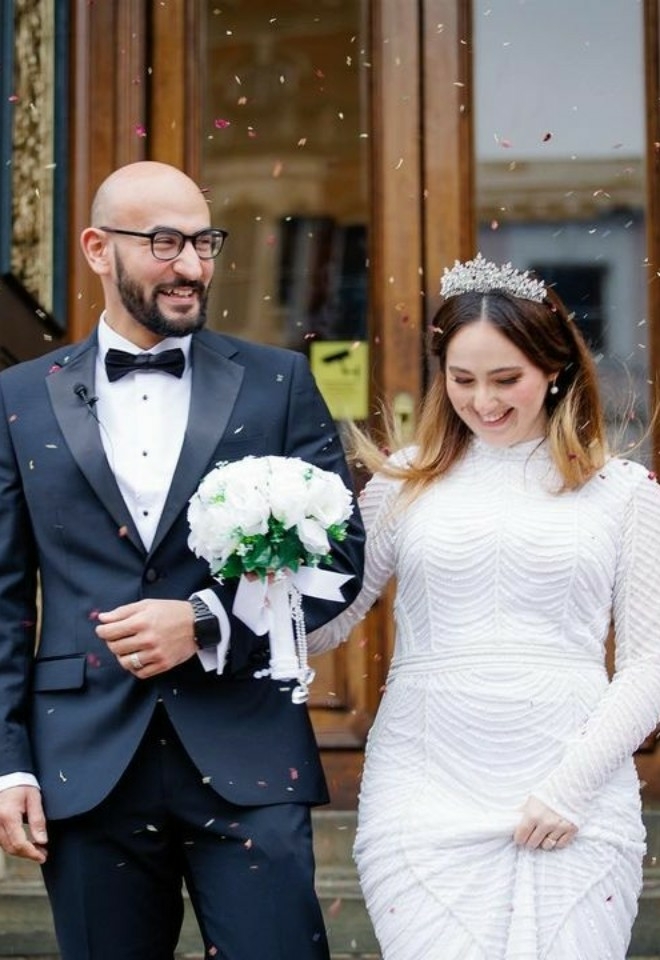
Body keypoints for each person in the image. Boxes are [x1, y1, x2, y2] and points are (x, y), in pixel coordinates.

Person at [0, 160, 364, 960]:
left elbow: (342, 559)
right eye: (166, 243)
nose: (193, 266)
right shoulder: (19, 398)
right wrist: (8, 766)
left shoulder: (279, 383)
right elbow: (1, 601)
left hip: (248, 752)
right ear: (98, 249)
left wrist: (205, 620)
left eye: (205, 242)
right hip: (85, 763)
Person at [308, 254, 660, 960]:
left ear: (554, 368)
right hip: (423, 790)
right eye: (462, 380)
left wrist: (569, 788)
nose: (484, 401)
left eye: (507, 380)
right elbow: (333, 623)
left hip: (573, 788)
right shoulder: (401, 483)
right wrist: (255, 577)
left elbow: (650, 663)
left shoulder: (624, 493)